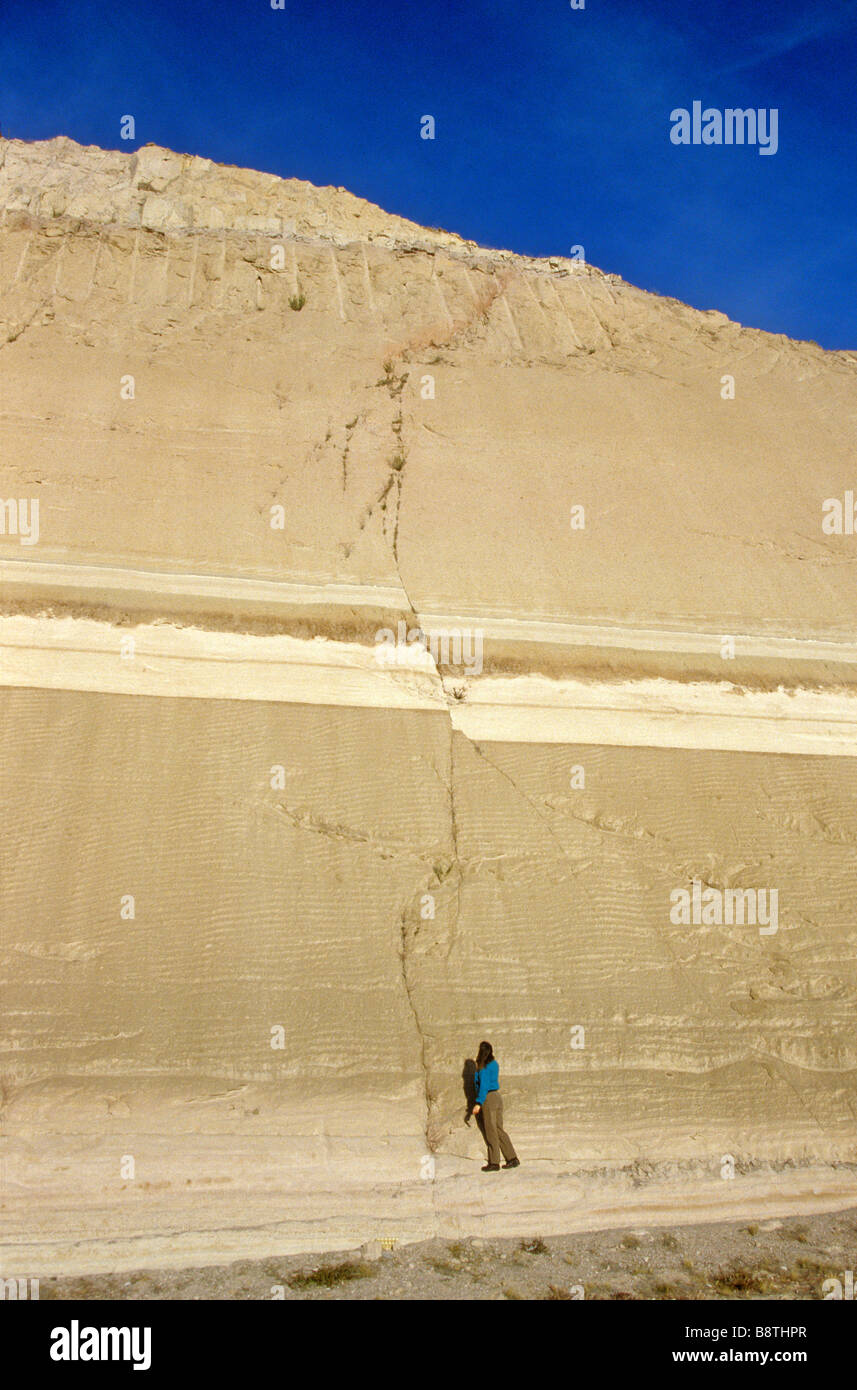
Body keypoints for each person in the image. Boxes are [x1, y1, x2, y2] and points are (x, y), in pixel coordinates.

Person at [472, 1040, 519, 1172]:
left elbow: (484, 1086)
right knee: (499, 1129)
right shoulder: (494, 1064)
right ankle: (512, 1158)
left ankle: (494, 1162)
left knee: (491, 1130)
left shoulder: (484, 1067)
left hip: (488, 1099)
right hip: (497, 1097)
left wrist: (478, 1103)